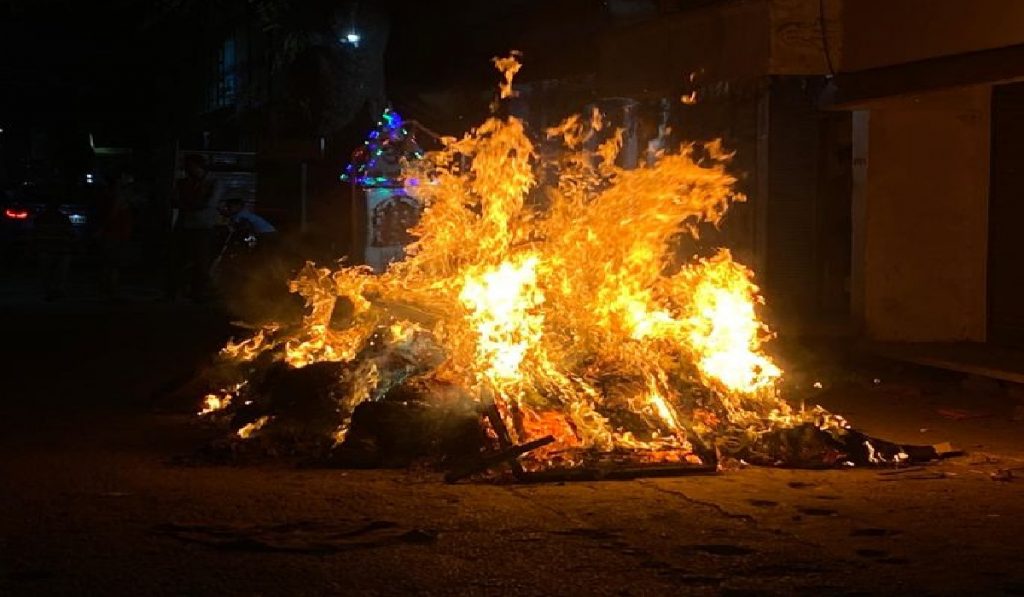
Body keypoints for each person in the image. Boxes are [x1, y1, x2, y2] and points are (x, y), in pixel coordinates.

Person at [165, 154, 221, 301]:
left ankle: (198, 292)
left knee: (201, 262)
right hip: (184, 225)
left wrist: (187, 204)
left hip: (203, 226)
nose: (188, 170)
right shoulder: (184, 182)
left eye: (191, 167)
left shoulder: (213, 182)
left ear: (198, 166)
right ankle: (176, 292)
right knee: (177, 260)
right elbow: (174, 200)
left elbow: (208, 204)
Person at [97, 170, 136, 296]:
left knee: (110, 262)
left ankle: (107, 288)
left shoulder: (112, 195)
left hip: (116, 232)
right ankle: (110, 289)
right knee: (113, 263)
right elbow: (112, 214)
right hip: (115, 232)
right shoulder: (118, 196)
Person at [33, 198, 75, 300]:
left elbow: (35, 234)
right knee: (60, 272)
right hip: (61, 249)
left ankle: (49, 291)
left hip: (46, 249)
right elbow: (70, 233)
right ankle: (58, 290)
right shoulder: (64, 218)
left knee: (46, 271)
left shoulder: (40, 218)